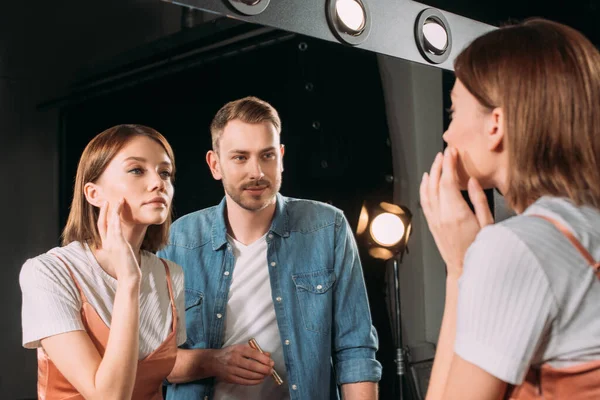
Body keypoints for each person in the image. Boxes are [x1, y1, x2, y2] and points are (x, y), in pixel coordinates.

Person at [419, 18, 600, 399]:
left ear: (496, 124)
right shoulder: (586, 225)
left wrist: (459, 271)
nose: (447, 134)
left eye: (453, 112)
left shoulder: (513, 248)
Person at [158, 96, 382, 400]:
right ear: (215, 164)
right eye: (240, 157)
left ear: (281, 157)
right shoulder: (178, 239)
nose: (257, 172)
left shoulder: (326, 228)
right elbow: (153, 362)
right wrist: (213, 361)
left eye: (267, 156)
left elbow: (355, 350)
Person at [20, 124, 186, 399]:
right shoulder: (48, 272)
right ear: (93, 193)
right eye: (137, 170)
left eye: (165, 172)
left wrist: (217, 360)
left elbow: (166, 371)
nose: (158, 182)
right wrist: (129, 280)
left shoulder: (171, 276)